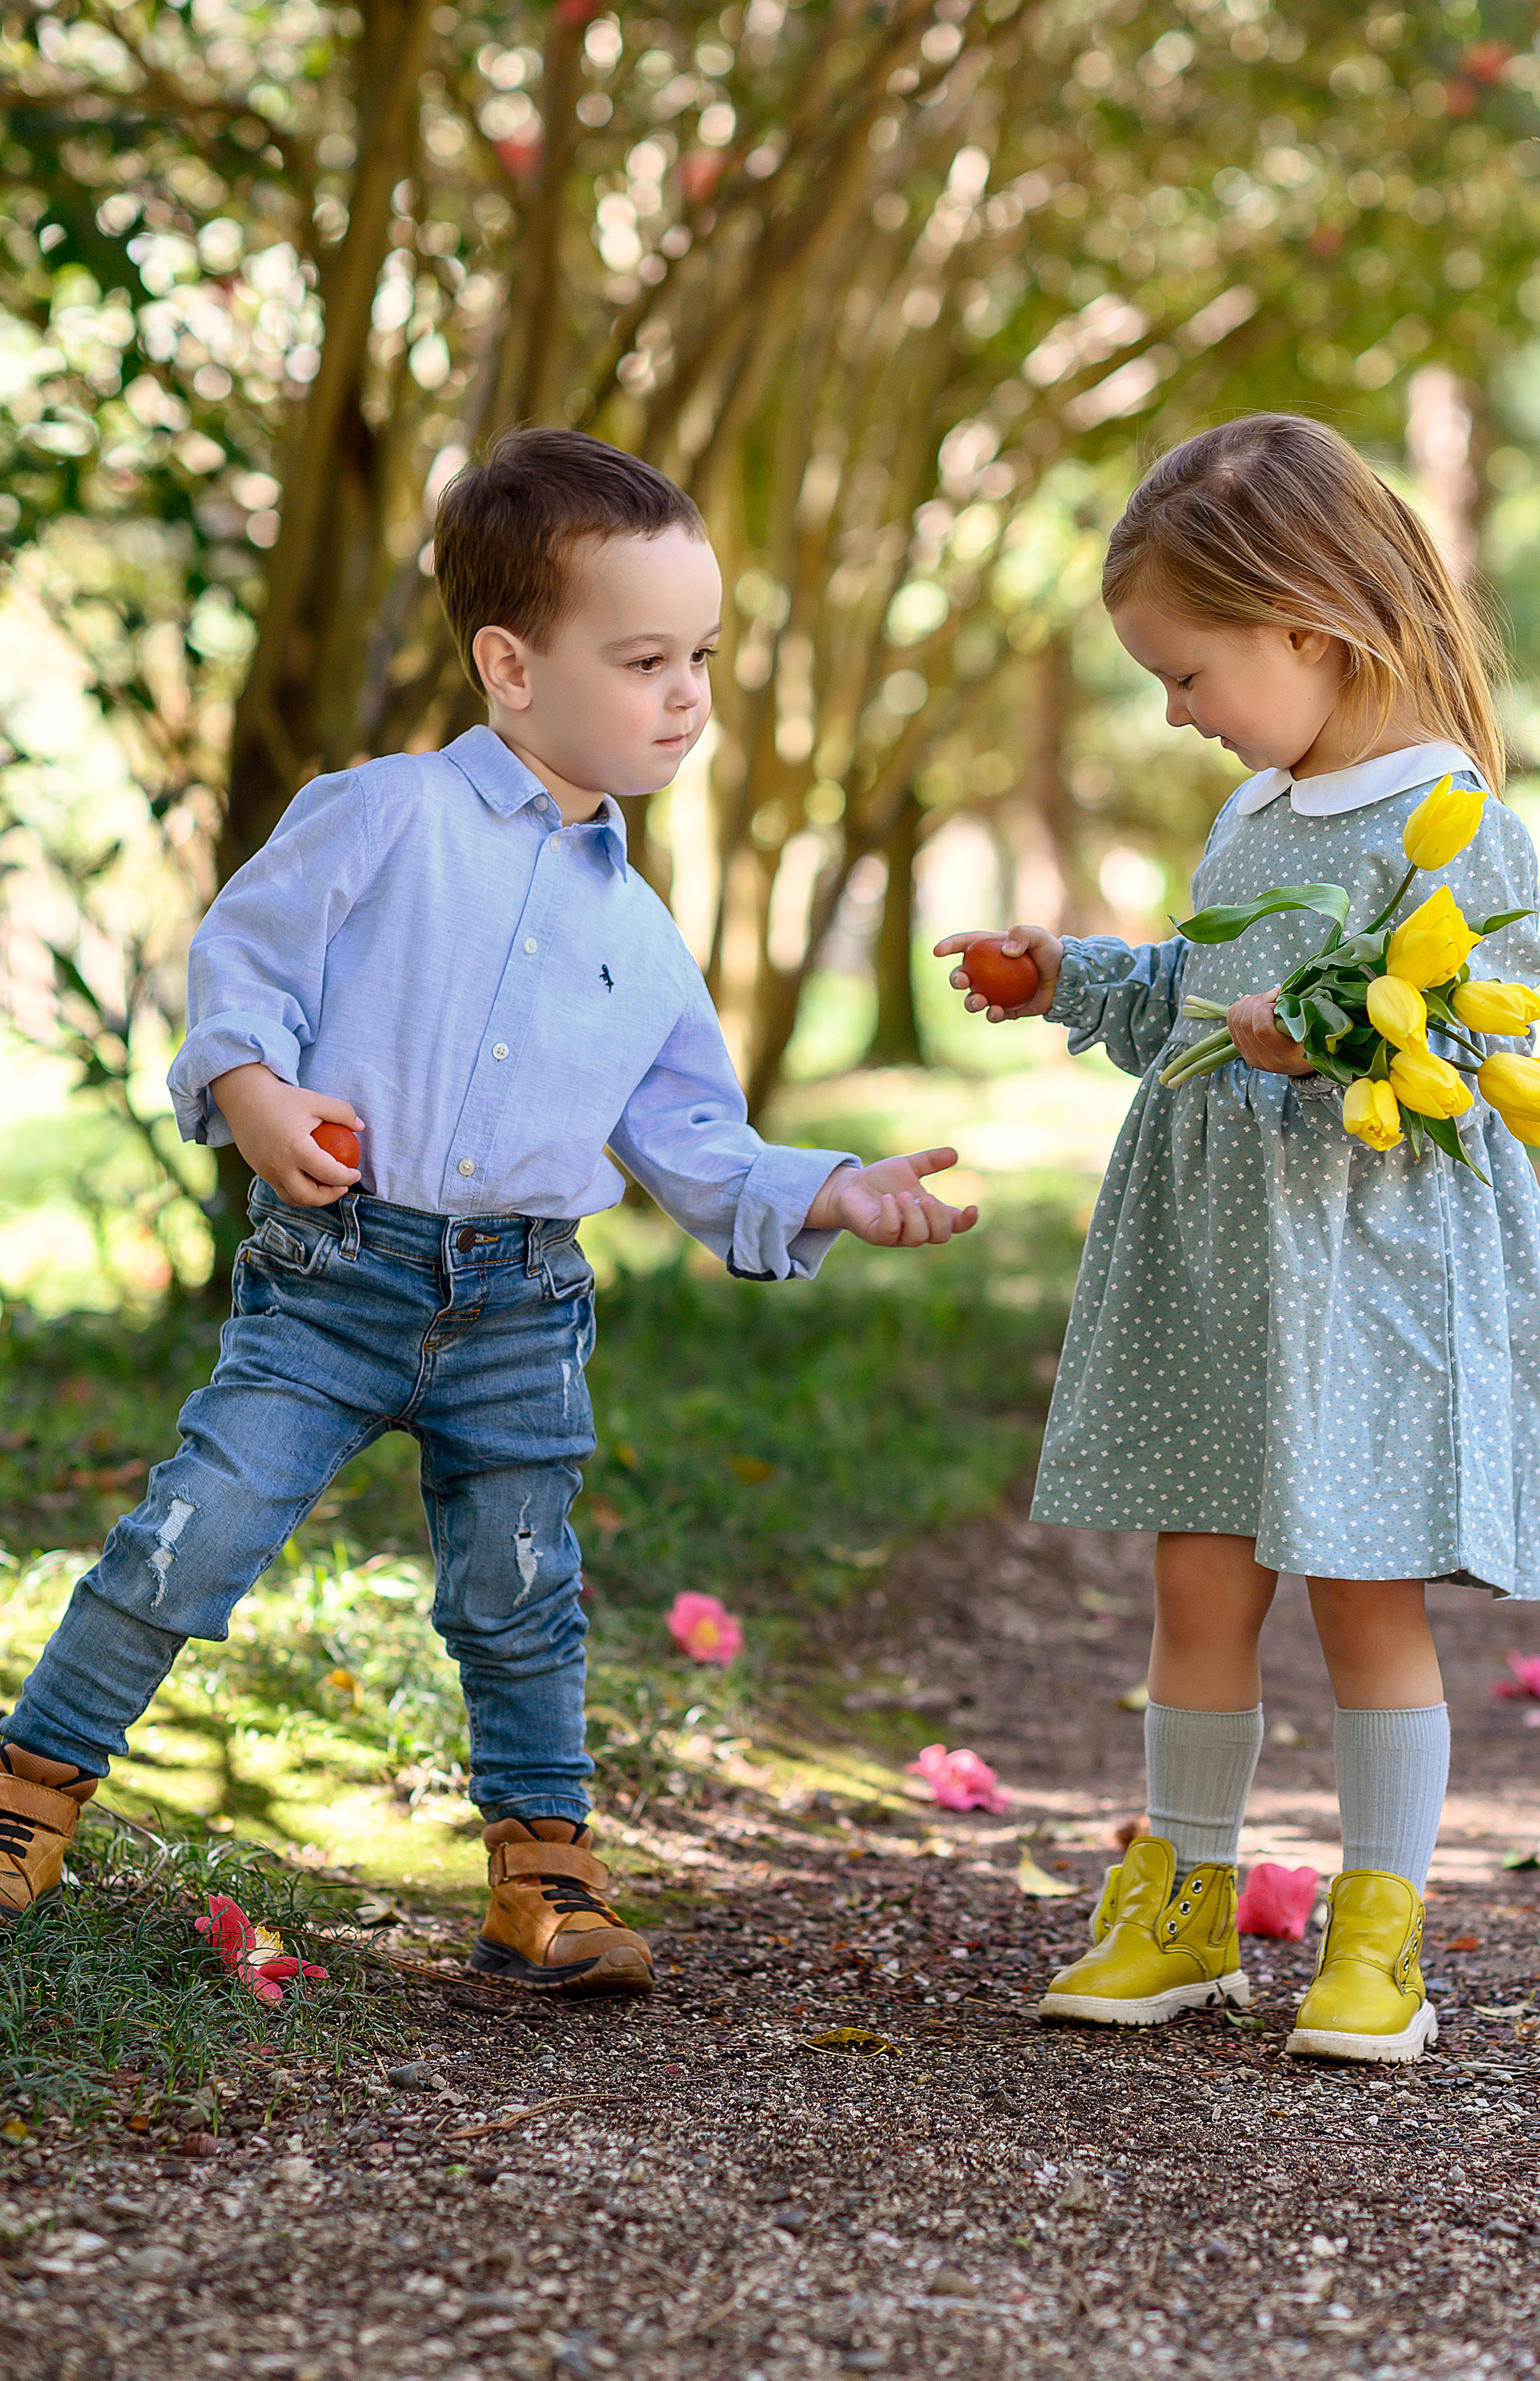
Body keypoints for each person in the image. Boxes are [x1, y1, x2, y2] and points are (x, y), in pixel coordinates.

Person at [0, 428, 976, 1995]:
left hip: (521, 1304)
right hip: (336, 1276)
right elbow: (243, 958)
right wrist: (248, 1088)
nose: (688, 696)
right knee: (196, 1531)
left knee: (522, 1597)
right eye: (645, 660)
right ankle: (29, 1793)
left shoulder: (643, 932)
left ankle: (542, 1880)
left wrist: (830, 1193)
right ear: (511, 666)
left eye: (702, 657)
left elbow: (691, 1140)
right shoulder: (382, 814)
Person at [936, 414, 1540, 2065]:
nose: (1174, 710)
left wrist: (1338, 1033)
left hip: (1364, 1270)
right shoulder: (1255, 813)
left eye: (1186, 673)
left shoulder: (1446, 816)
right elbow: (1196, 1001)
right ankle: (1186, 1901)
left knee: (1361, 1589)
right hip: (1217, 1268)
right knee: (1196, 1578)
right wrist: (1063, 974)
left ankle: (1377, 1930)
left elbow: (1477, 1037)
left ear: (1304, 627)